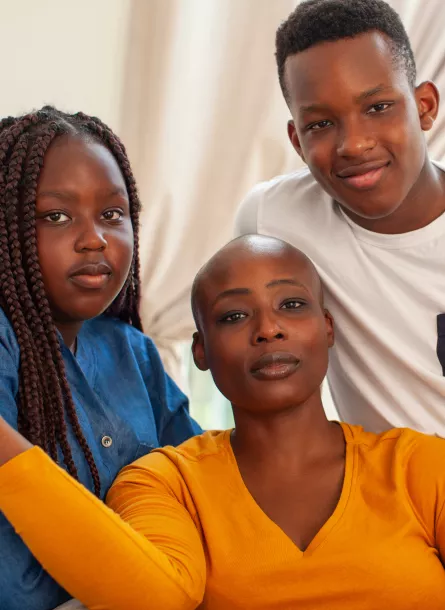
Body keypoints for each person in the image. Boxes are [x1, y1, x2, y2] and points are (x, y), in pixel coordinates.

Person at [1, 234, 445, 609]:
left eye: (291, 304)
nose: (268, 329)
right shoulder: (164, 482)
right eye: (234, 316)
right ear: (201, 351)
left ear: (327, 327)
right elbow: (154, 599)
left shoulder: (419, 467)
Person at [0, 106, 201, 610]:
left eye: (113, 214)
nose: (94, 239)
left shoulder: (132, 351)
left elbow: (201, 487)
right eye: (56, 216)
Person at [235, 0, 445, 435]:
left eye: (378, 107)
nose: (353, 144)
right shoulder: (272, 218)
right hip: (387, 494)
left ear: (424, 106)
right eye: (321, 124)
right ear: (297, 139)